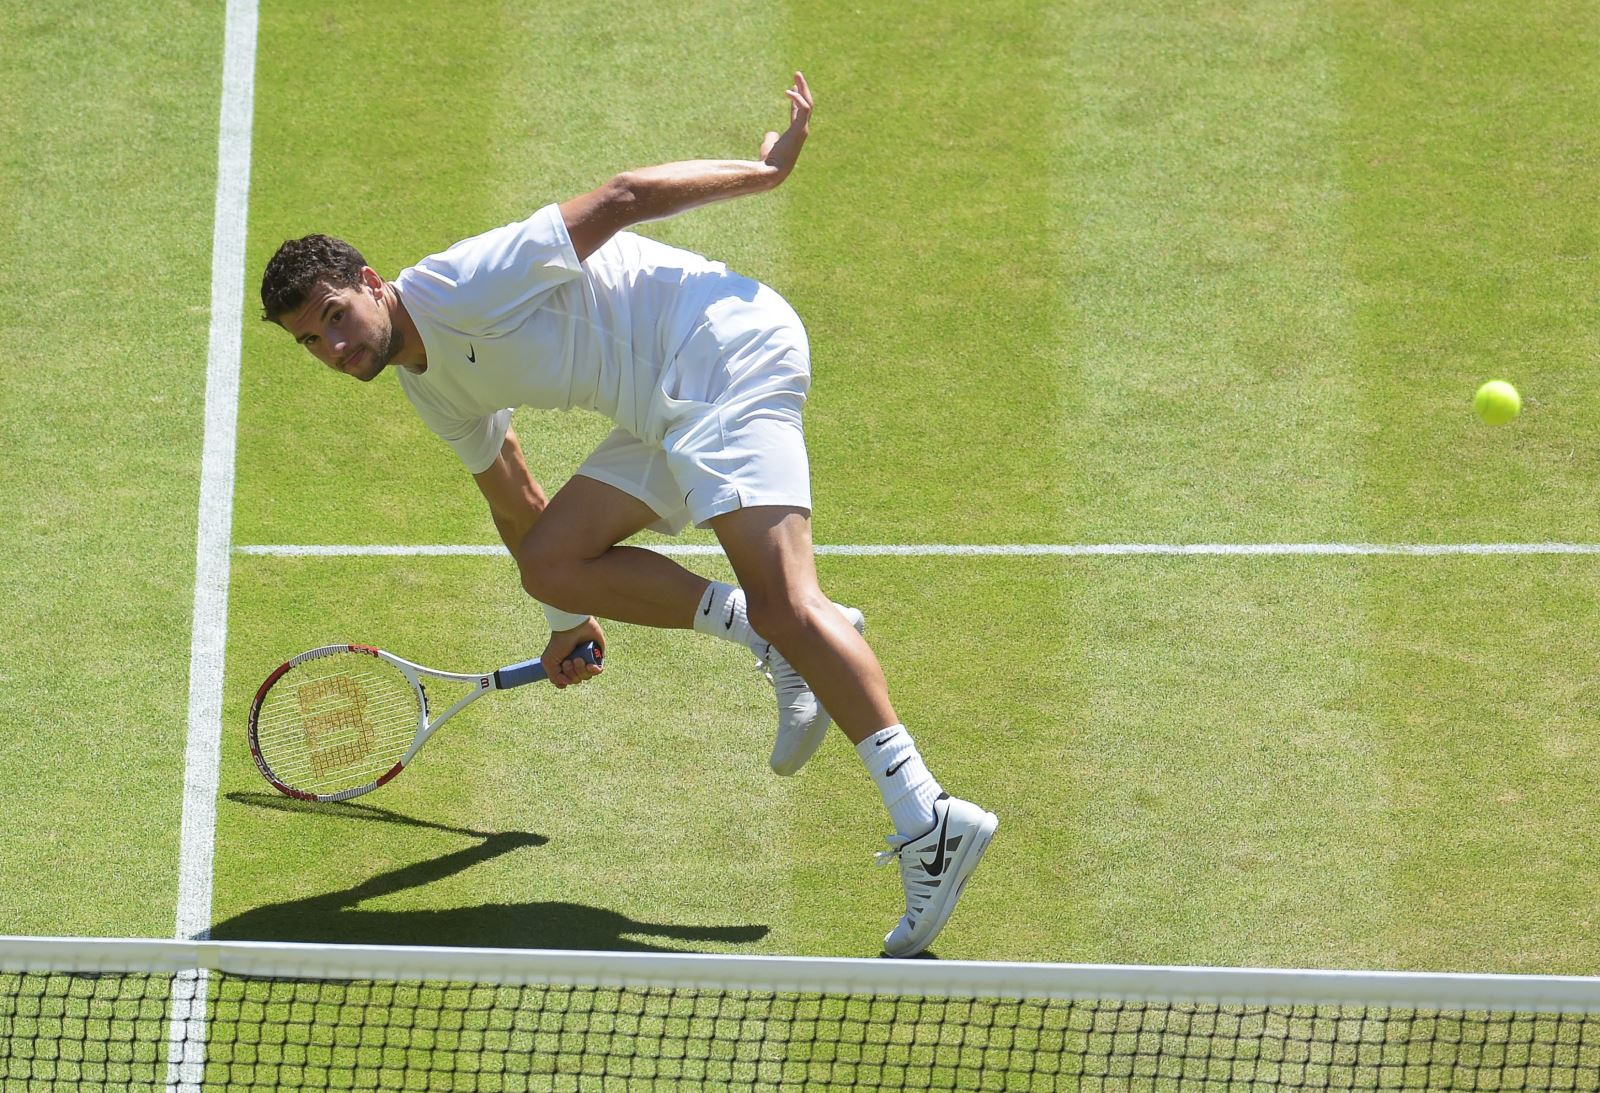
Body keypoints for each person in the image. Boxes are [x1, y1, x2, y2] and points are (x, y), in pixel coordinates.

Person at [258, 73, 996, 957]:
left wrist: (766, 175)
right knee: (551, 560)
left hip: (719, 356)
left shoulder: (459, 285)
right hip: (660, 406)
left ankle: (927, 816)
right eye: (311, 341)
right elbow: (514, 498)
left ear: (371, 284)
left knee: (790, 601)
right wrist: (565, 620)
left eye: (336, 317)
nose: (336, 348)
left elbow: (623, 197)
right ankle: (773, 641)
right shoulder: (428, 387)